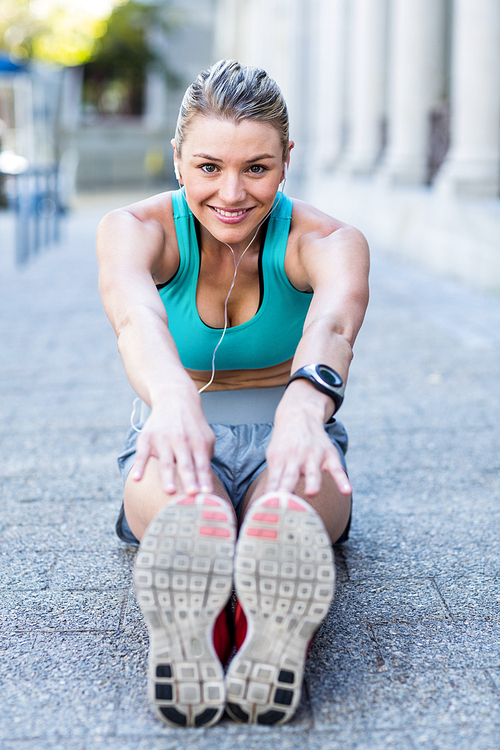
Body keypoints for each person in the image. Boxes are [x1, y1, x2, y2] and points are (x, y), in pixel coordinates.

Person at [96, 59, 369, 729]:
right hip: (175, 428)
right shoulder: (136, 229)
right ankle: (213, 619)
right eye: (209, 167)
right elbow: (135, 319)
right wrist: (174, 401)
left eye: (257, 168)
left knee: (283, 510)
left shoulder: (328, 241)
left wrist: (305, 410)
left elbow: (334, 323)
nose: (232, 193)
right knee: (194, 510)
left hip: (293, 432)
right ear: (178, 160)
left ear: (286, 160)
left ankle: (257, 624)